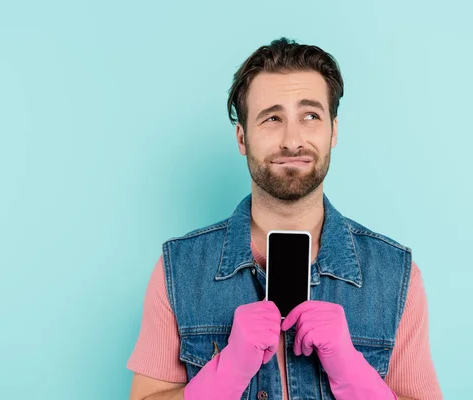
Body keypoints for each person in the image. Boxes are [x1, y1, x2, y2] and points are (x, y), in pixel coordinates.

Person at [127, 37, 442, 400]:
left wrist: (355, 376)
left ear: (333, 131)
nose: (293, 140)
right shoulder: (179, 269)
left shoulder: (394, 275)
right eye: (272, 118)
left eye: (310, 116)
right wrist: (224, 373)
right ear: (242, 138)